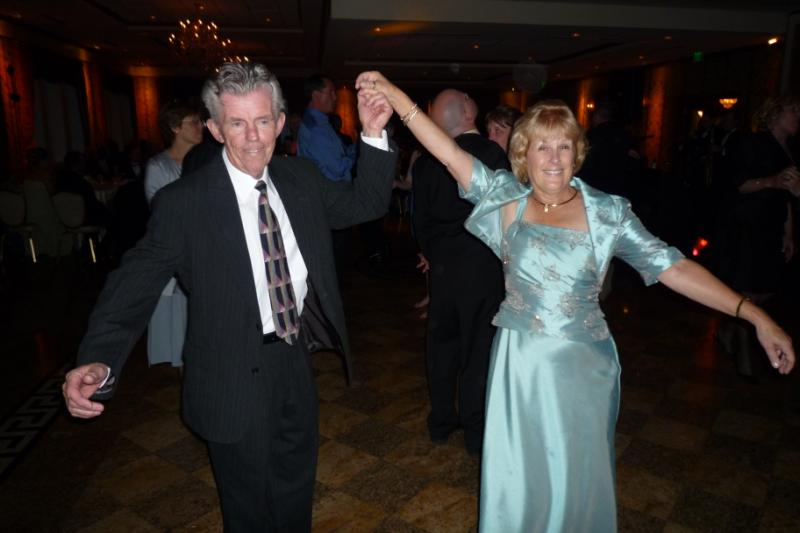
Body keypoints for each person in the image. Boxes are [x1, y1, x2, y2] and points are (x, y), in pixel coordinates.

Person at [356, 71, 795, 532]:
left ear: (577, 152)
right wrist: (393, 94)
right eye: (542, 146)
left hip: (584, 368)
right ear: (523, 153)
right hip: (519, 366)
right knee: (519, 477)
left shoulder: (607, 212)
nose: (554, 158)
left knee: (576, 478)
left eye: (564, 146)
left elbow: (674, 267)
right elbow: (445, 150)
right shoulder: (505, 197)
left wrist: (754, 314)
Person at [63, 62, 395, 532]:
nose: (253, 137)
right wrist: (98, 357)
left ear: (281, 123)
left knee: (295, 488)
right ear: (216, 129)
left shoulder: (301, 179)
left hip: (294, 359)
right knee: (247, 509)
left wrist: (374, 133)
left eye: (263, 120)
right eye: (237, 123)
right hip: (228, 374)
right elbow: (132, 285)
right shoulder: (183, 203)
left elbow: (367, 202)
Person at [412, 88, 508, 455]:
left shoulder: (425, 161)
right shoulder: (490, 153)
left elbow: (420, 221)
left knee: (441, 346)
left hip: (442, 268)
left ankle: (440, 422)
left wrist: (432, 253)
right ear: (468, 112)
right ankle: (474, 431)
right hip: (482, 266)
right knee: (477, 349)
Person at [715, 96, 799, 380]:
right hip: (748, 224)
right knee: (747, 290)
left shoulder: (790, 150)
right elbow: (737, 184)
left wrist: (789, 233)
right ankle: (742, 352)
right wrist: (772, 181)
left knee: (766, 289)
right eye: (793, 110)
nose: (798, 115)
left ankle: (727, 327)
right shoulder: (753, 143)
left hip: (772, 226)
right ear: (774, 114)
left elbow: (787, 198)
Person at [142, 100, 204, 368]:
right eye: (194, 122)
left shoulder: (206, 161)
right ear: (175, 128)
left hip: (205, 247)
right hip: (178, 248)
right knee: (179, 320)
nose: (201, 127)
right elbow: (159, 212)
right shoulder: (159, 166)